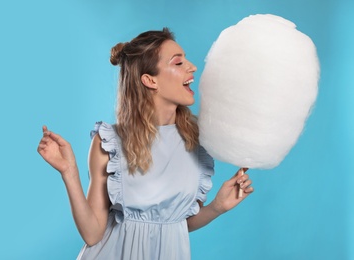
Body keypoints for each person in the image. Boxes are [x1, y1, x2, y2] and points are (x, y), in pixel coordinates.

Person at [37, 27, 253, 260]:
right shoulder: (110, 142)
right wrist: (69, 172)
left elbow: (175, 223)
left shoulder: (197, 141)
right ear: (150, 80)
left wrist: (217, 207)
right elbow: (92, 234)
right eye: (178, 63)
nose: (192, 67)